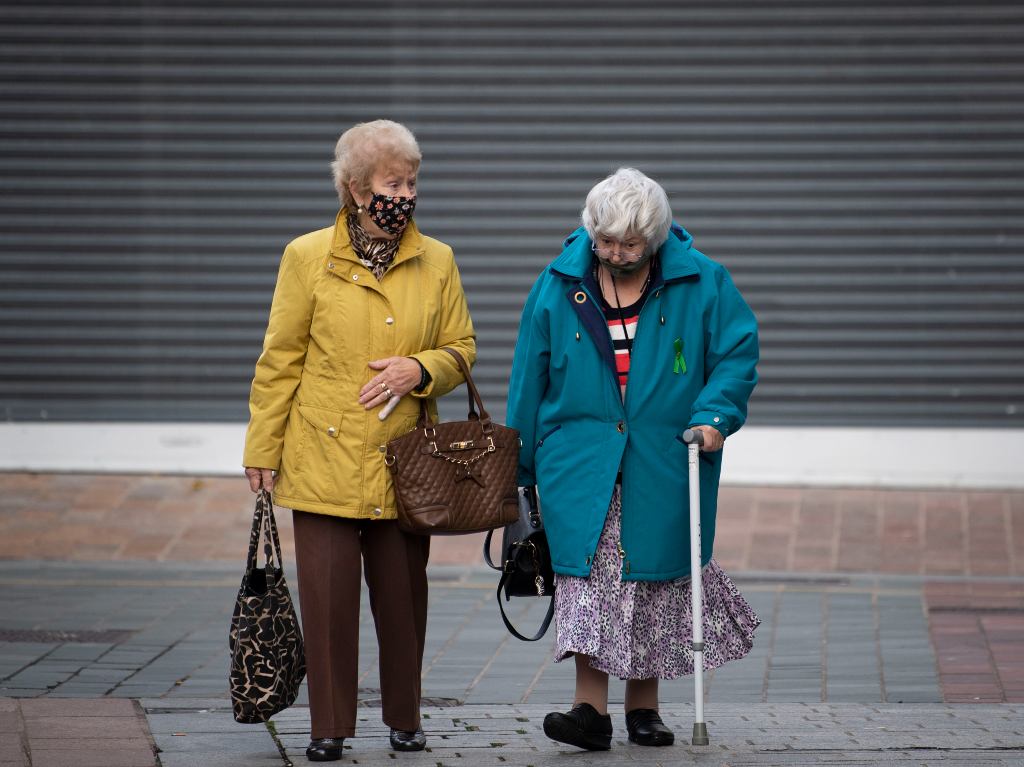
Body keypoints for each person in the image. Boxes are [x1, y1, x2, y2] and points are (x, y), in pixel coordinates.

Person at [242, 120, 475, 762]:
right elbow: (280, 358)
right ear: (353, 189)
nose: (405, 194)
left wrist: (420, 369)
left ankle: (405, 717)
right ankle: (329, 727)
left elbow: (463, 347)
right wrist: (262, 448)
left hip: (407, 464)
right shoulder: (306, 257)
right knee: (329, 608)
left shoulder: (439, 261)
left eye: (412, 182)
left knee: (403, 606)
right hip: (323, 458)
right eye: (391, 183)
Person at [507, 168, 760, 751]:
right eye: (607, 242)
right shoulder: (556, 285)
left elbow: (735, 354)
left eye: (631, 244)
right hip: (577, 461)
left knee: (647, 578)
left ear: (656, 237)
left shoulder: (704, 283)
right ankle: (588, 709)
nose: (617, 254)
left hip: (664, 458)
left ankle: (643, 708)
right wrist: (517, 471)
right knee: (590, 581)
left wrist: (715, 417)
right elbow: (528, 379)